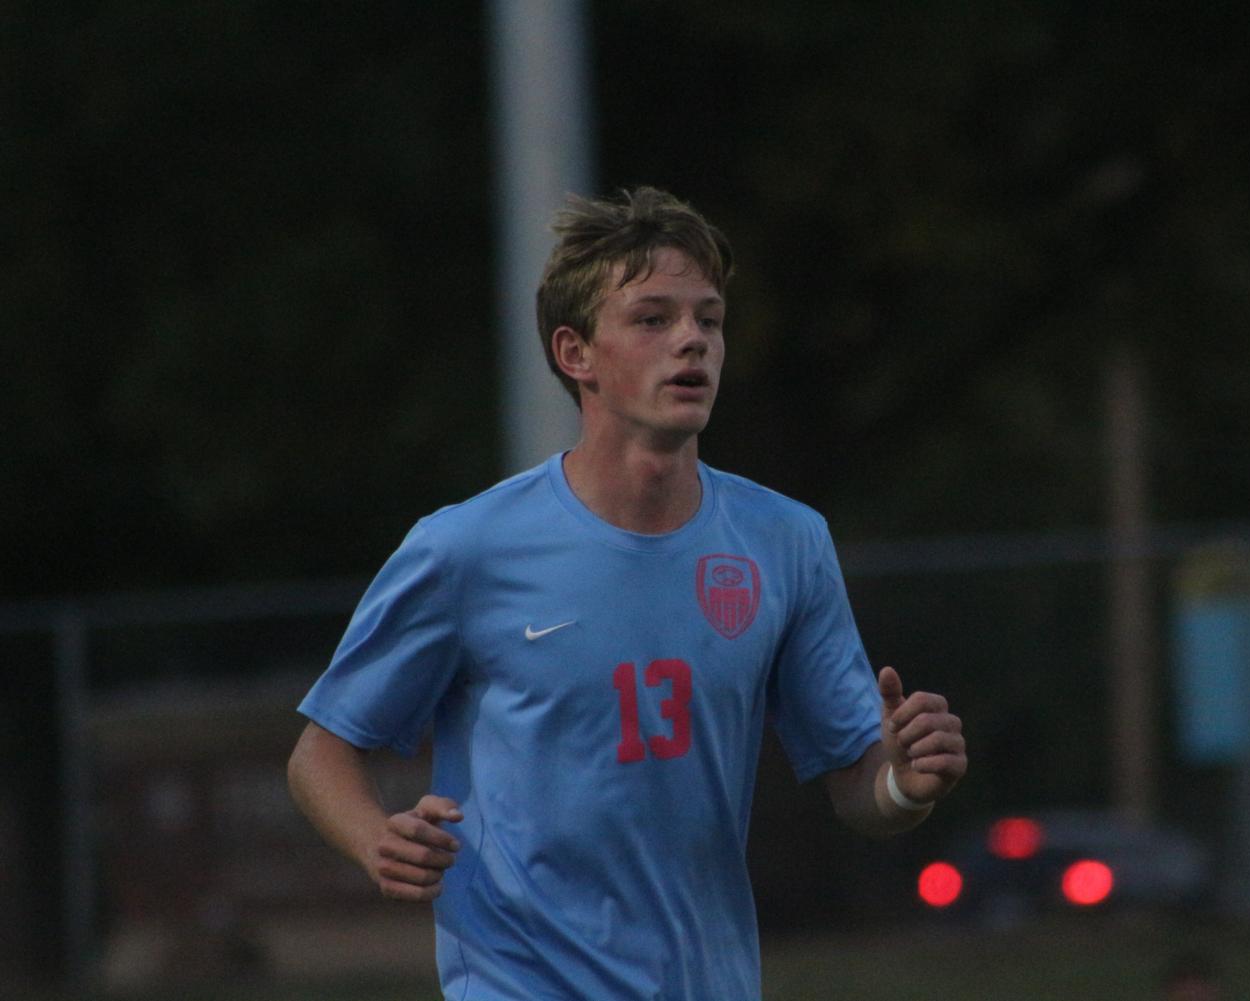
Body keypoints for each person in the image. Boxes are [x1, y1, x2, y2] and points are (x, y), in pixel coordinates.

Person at [286, 186, 967, 1000]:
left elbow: (859, 783)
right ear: (576, 354)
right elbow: (320, 752)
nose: (692, 341)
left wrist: (903, 781)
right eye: (652, 318)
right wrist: (375, 839)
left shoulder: (784, 541)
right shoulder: (465, 547)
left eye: (707, 319)